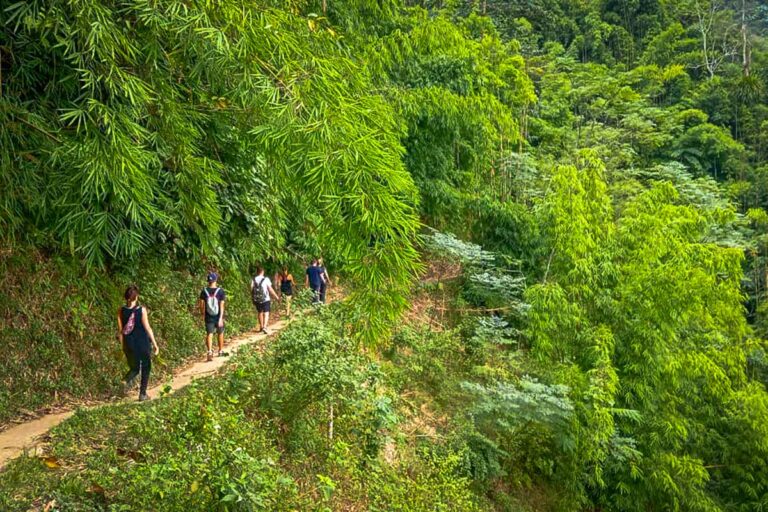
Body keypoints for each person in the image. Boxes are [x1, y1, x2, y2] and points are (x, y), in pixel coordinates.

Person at [117, 285, 159, 402]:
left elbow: (121, 331)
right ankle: (142, 394)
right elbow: (148, 328)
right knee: (146, 366)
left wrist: (123, 346)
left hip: (129, 344)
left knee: (134, 368)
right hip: (142, 343)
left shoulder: (121, 310)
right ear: (136, 296)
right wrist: (155, 344)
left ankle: (124, 381)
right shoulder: (141, 310)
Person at [199, 272, 226, 362]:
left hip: (208, 315)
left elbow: (201, 305)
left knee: (209, 333)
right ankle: (220, 351)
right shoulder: (220, 291)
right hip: (218, 316)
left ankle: (209, 351)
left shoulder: (204, 291)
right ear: (215, 280)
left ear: (208, 281)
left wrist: (203, 314)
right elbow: (222, 305)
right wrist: (220, 318)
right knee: (220, 332)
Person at [251, 267, 280, 334]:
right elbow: (270, 289)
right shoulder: (266, 279)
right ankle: (265, 326)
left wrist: (253, 298)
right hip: (266, 299)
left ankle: (261, 327)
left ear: (257, 272)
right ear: (262, 271)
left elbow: (251, 289)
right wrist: (276, 297)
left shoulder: (253, 279)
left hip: (257, 299)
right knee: (266, 312)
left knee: (260, 312)